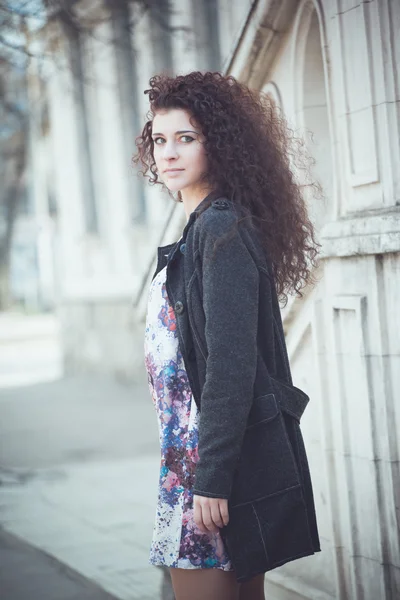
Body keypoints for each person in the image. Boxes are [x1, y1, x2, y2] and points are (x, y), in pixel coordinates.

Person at [134, 71, 321, 600]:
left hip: (210, 466)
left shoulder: (219, 229)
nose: (168, 152)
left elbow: (232, 366)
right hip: (196, 459)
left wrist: (211, 478)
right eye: (159, 139)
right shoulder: (203, 228)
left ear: (220, 144)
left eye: (186, 138)